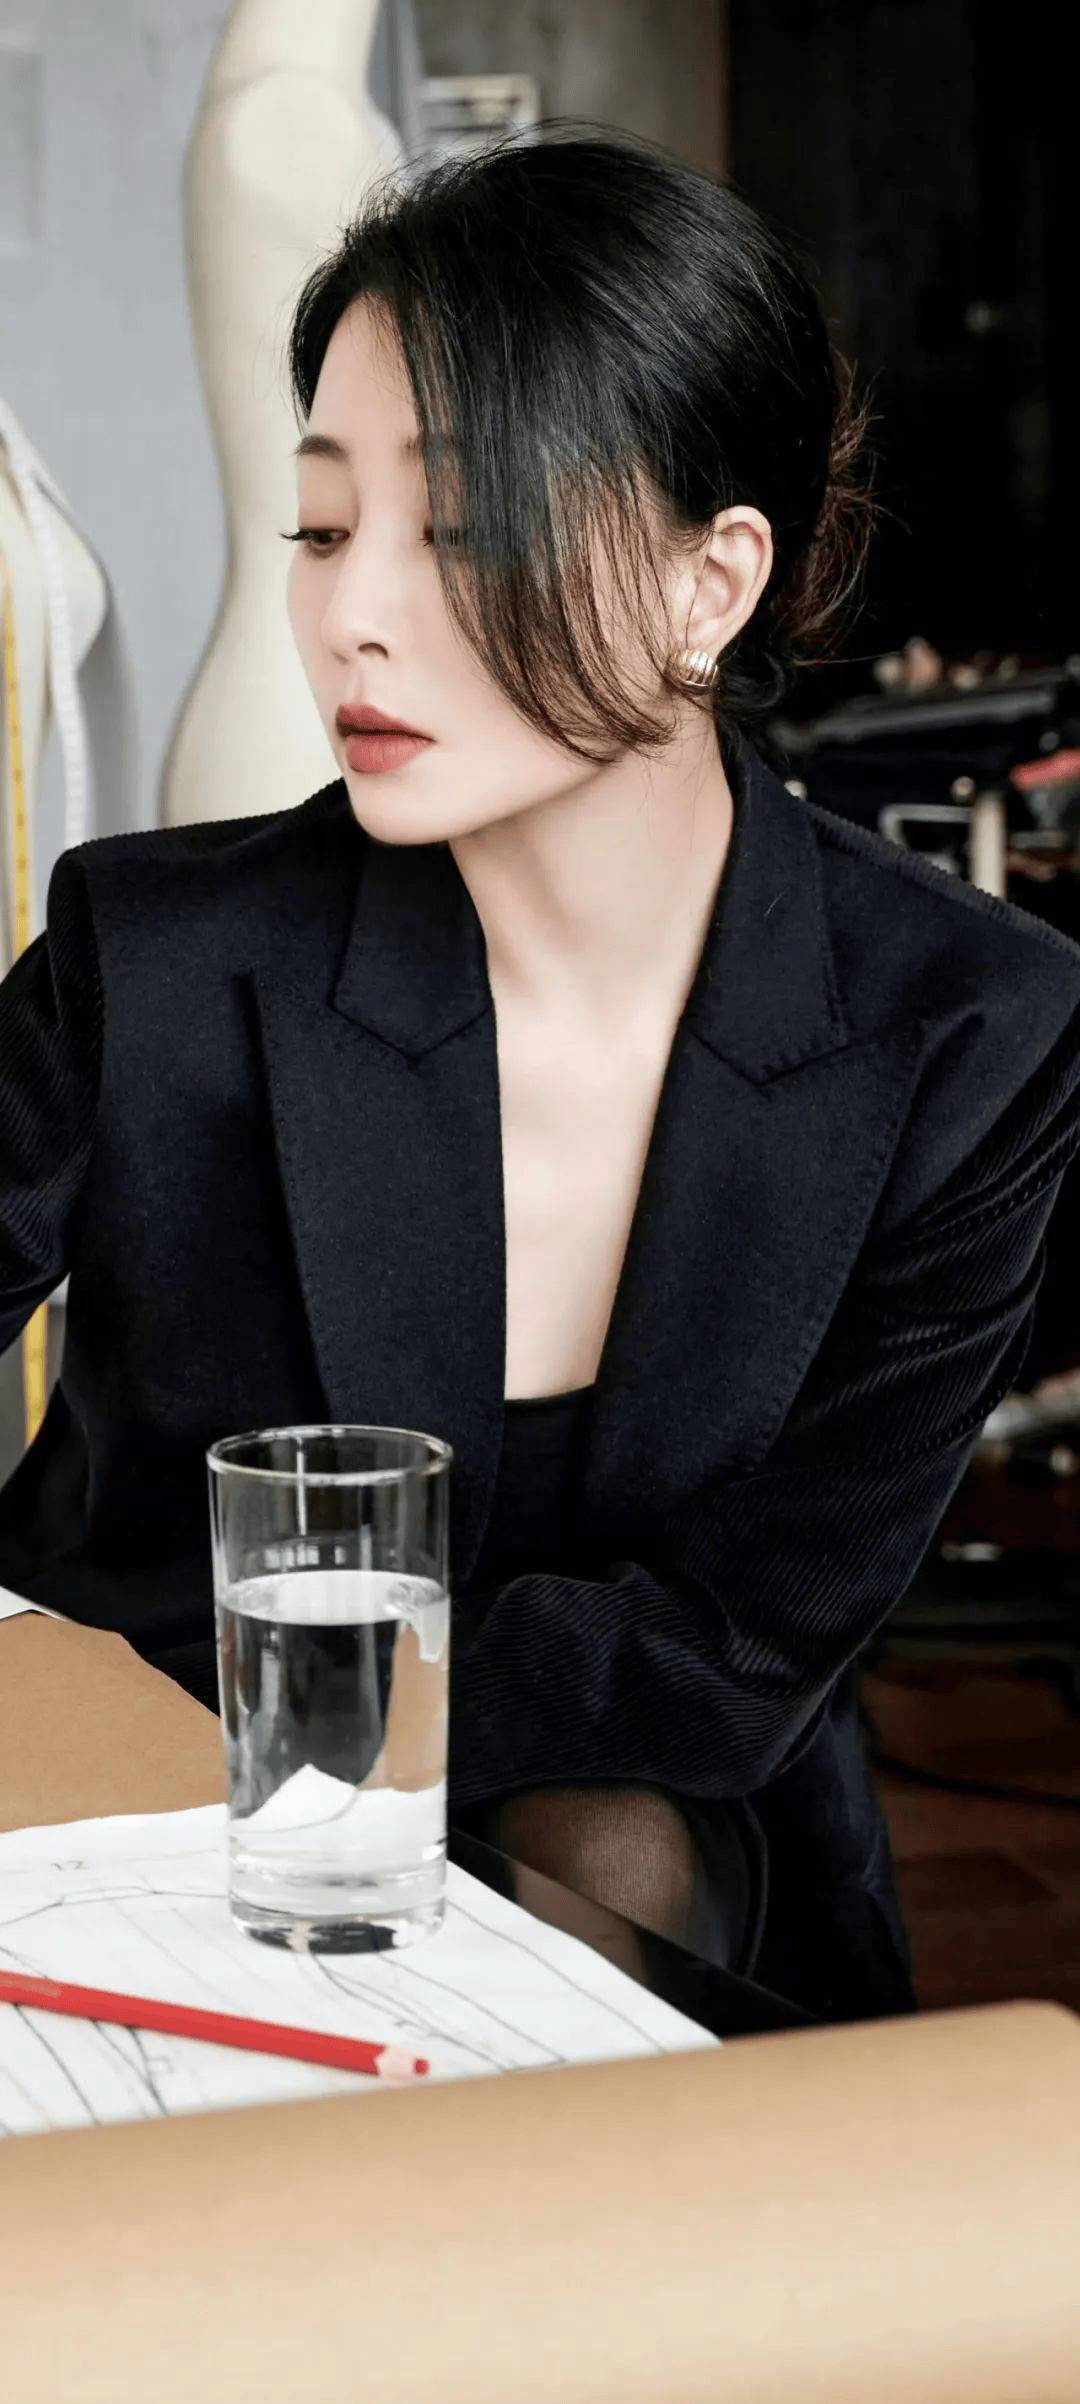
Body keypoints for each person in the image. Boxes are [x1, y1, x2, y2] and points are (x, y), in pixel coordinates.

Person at [4, 124, 1080, 2024]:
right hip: (136, 1821)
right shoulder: (149, 958)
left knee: (613, 1840)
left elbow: (736, 1655)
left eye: (463, 526)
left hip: (652, 1821)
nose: (352, 607)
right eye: (322, 526)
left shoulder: (972, 1033)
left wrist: (321, 1724)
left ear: (708, 584)